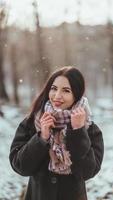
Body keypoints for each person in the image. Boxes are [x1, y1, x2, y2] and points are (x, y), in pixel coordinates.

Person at [9, 66, 104, 200]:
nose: (57, 96)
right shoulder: (32, 122)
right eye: (54, 88)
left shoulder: (90, 129)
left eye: (66, 90)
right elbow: (20, 167)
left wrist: (77, 132)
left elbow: (88, 172)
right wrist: (42, 138)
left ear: (76, 95)